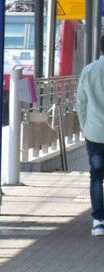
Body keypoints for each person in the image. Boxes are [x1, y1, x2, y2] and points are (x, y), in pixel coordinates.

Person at [76, 35, 104, 237]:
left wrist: (85, 126)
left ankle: (98, 221)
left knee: (96, 176)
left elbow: (81, 104)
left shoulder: (89, 71)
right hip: (94, 130)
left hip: (95, 132)